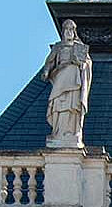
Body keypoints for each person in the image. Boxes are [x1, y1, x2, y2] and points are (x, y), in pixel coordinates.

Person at [40, 19, 93, 148]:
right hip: (61, 77)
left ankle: (71, 132)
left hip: (75, 80)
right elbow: (49, 62)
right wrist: (46, 72)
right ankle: (59, 132)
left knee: (73, 105)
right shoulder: (58, 47)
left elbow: (87, 64)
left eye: (71, 30)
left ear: (74, 32)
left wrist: (80, 63)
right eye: (66, 29)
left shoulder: (79, 47)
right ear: (63, 32)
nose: (69, 32)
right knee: (59, 104)